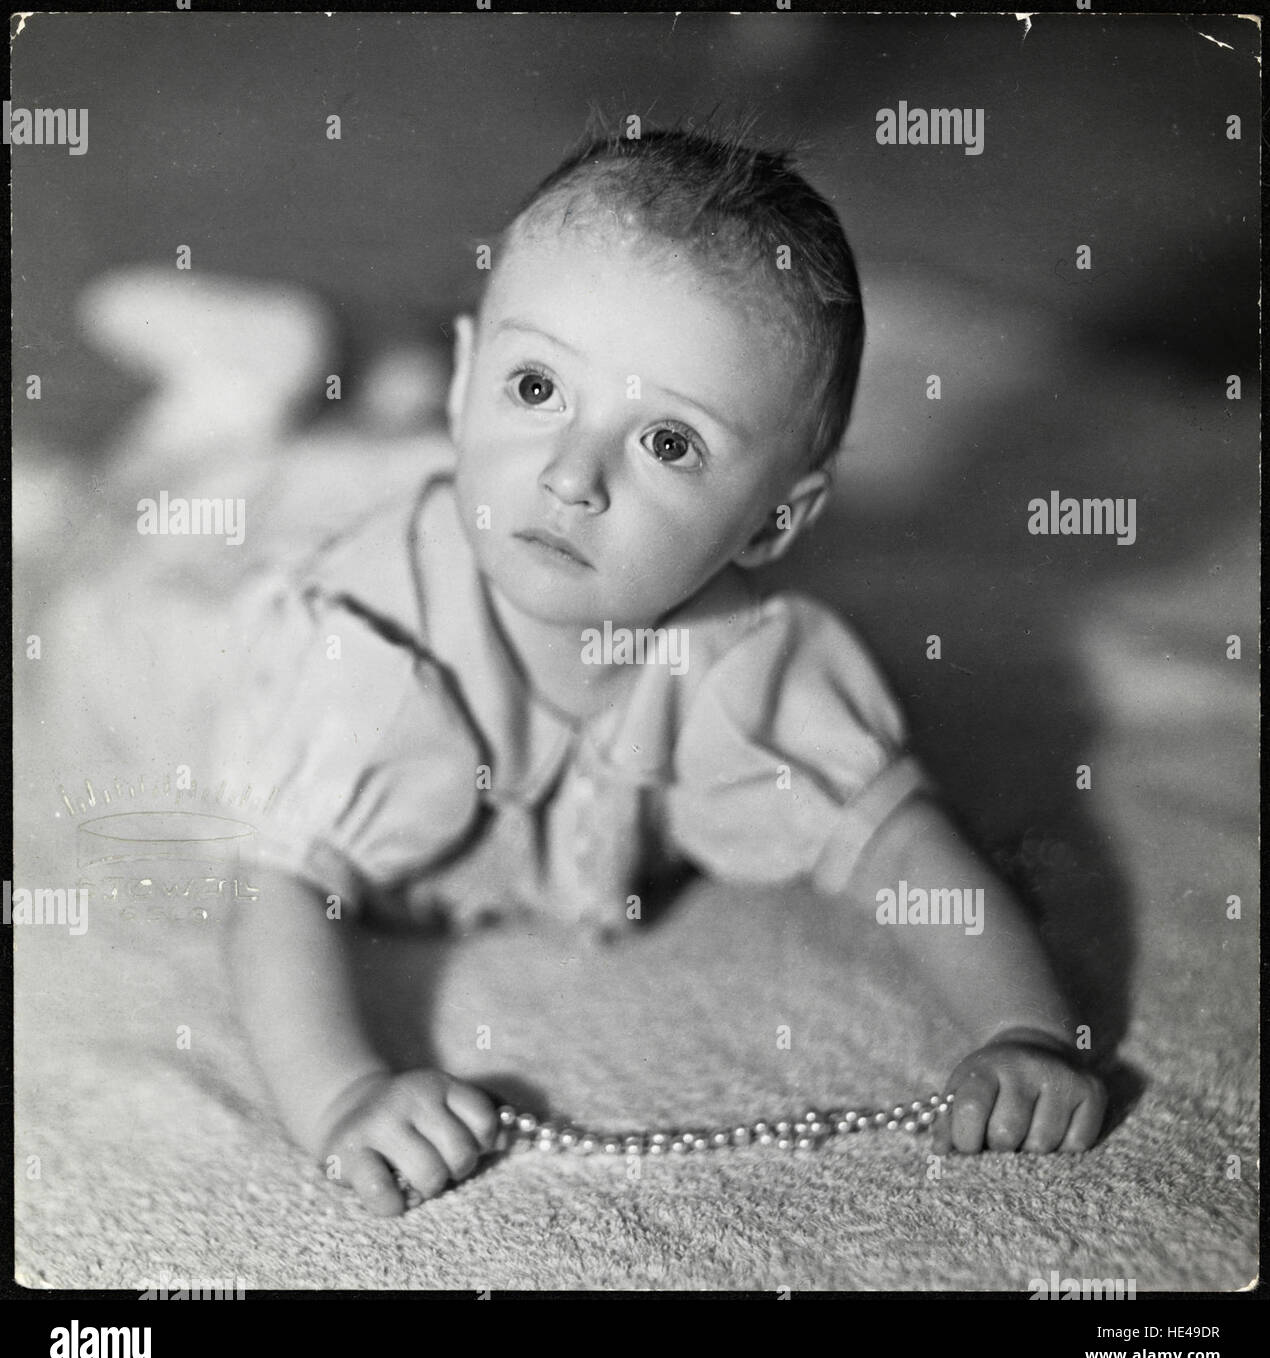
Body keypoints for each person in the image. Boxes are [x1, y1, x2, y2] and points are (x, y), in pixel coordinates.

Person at [219, 127, 1106, 1217]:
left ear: (776, 521)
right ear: (471, 380)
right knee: (164, 546)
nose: (572, 475)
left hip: (423, 455)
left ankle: (327, 375)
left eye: (669, 444)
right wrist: (343, 1091)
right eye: (534, 384)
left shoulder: (743, 663)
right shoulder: (365, 634)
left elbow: (904, 845)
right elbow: (279, 884)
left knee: (342, 447)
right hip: (191, 623)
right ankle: (250, 393)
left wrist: (1020, 1028)